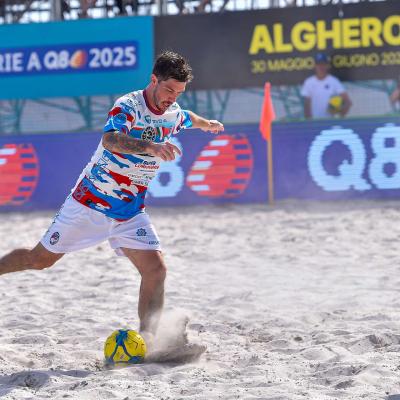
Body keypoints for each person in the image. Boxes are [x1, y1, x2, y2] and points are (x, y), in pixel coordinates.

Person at [0, 51, 224, 347]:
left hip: (129, 211)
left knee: (156, 270)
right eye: (169, 89)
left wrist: (206, 123)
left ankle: (149, 341)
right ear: (153, 80)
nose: (172, 98)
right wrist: (151, 147)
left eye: (179, 93)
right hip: (89, 203)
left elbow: (188, 118)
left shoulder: (173, 112)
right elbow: (110, 139)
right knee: (39, 260)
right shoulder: (129, 105)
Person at [301, 53, 352, 119]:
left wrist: (340, 116)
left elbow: (348, 102)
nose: (321, 67)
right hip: (314, 121)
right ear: (315, 66)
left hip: (330, 121)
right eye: (318, 64)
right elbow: (306, 104)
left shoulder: (334, 81)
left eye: (323, 64)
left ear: (327, 65)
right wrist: (309, 122)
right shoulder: (309, 82)